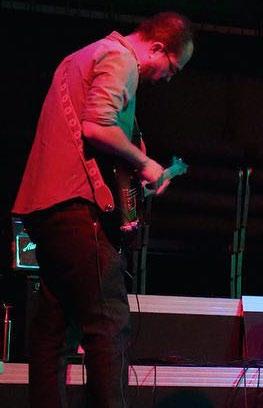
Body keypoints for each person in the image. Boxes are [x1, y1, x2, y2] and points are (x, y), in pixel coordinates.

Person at [12, 11, 194, 407]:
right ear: (157, 48)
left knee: (52, 332)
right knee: (109, 323)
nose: (167, 79)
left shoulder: (78, 58)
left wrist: (135, 175)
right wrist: (146, 163)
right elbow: (97, 126)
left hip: (46, 208)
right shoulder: (119, 57)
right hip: (77, 210)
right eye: (172, 68)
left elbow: (83, 139)